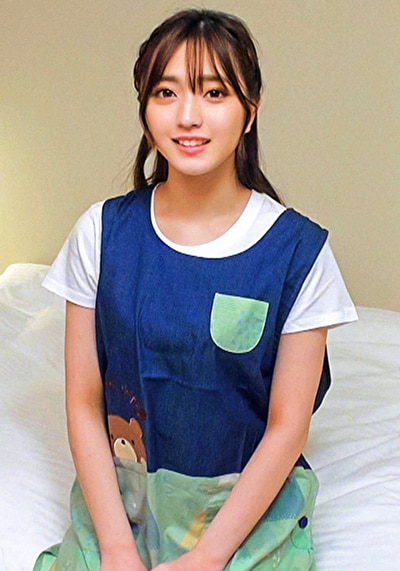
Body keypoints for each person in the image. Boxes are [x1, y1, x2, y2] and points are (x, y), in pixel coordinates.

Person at [34, 8, 358, 571]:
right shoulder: (101, 234)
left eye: (214, 92)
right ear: (145, 109)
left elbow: (288, 428)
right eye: (166, 93)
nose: (188, 116)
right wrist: (115, 548)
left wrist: (208, 557)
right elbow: (84, 402)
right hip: (123, 505)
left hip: (246, 513)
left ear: (250, 111)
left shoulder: (298, 254)